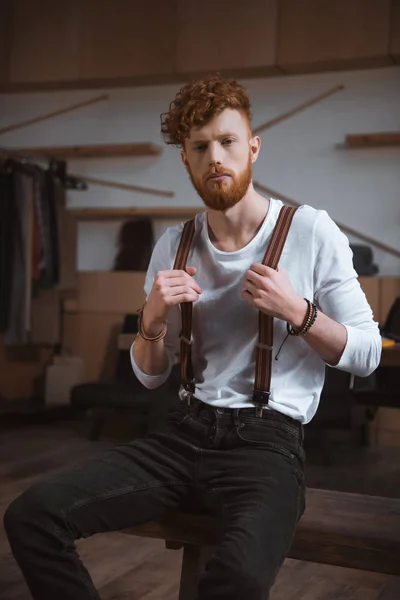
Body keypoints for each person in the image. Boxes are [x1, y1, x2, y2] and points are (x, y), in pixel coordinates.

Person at [4, 75, 381, 600]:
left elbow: (366, 355)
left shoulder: (311, 231)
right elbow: (150, 374)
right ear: (186, 159)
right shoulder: (173, 244)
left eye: (227, 141)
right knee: (32, 515)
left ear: (253, 146)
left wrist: (297, 311)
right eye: (200, 147)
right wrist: (150, 321)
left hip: (267, 445)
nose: (215, 157)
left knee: (240, 579)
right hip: (184, 432)